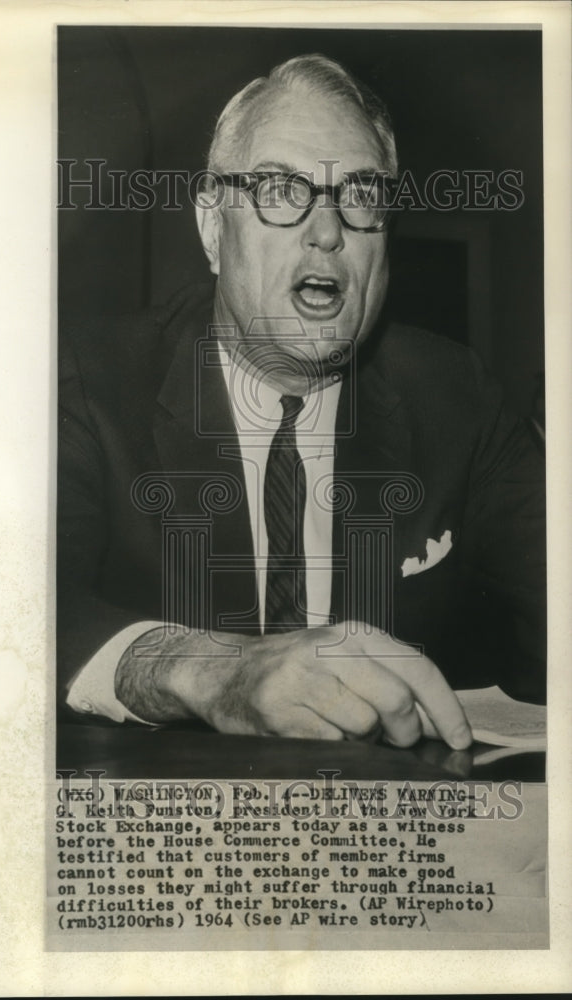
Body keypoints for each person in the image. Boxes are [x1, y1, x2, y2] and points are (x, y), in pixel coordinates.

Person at [57, 54, 546, 750]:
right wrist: (207, 669)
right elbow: (9, 605)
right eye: (282, 190)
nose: (326, 231)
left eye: (360, 195)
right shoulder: (84, 377)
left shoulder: (454, 393)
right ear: (211, 228)